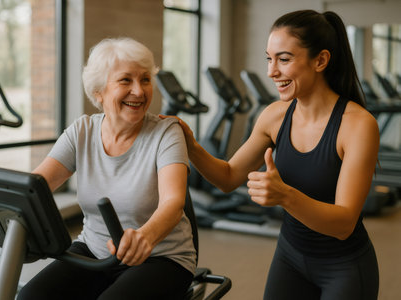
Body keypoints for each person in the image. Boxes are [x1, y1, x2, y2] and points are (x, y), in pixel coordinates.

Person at [162, 9, 379, 300]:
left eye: (284, 59)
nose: (271, 71)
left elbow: (343, 224)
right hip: (290, 257)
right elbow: (228, 177)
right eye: (269, 58)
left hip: (344, 267)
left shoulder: (358, 125)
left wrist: (284, 195)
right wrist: (191, 145)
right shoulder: (275, 116)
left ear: (321, 60)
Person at [0, 37, 196, 300]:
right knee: (30, 297)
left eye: (145, 79)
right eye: (125, 81)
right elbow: (36, 185)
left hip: (161, 258)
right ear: (99, 92)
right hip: (94, 250)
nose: (139, 91)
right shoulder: (82, 131)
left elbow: (173, 202)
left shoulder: (167, 132)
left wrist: (145, 236)